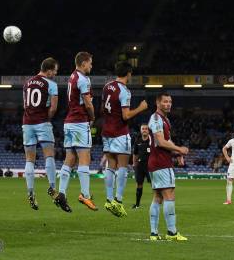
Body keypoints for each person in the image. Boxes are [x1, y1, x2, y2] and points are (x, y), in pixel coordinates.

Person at [101, 61, 148, 217]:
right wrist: (141, 108)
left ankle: (108, 200)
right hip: (119, 132)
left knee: (110, 166)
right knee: (122, 167)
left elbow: (104, 109)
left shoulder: (107, 86)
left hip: (106, 130)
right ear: (129, 73)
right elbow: (125, 115)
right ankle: (118, 201)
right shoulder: (124, 91)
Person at [54, 51, 96, 212]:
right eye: (90, 63)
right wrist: (92, 117)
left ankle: (62, 194)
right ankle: (85, 195)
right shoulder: (84, 79)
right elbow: (88, 104)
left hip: (69, 123)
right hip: (79, 122)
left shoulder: (72, 76)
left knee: (69, 159)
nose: (91, 66)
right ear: (84, 63)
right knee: (84, 158)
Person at [147, 93, 189, 241]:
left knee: (158, 197)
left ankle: (153, 233)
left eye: (170, 102)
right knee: (169, 195)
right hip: (161, 162)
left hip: (157, 161)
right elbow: (160, 141)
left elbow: (167, 141)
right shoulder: (157, 119)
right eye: (165, 102)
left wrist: (176, 154)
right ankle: (172, 233)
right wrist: (179, 149)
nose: (168, 104)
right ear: (158, 103)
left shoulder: (165, 120)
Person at [21, 57, 59, 210]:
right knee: (49, 155)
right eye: (55, 71)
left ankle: (30, 192)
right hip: (42, 122)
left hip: (27, 123)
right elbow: (54, 108)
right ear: (49, 70)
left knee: (29, 159)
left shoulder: (27, 83)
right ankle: (51, 188)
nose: (55, 74)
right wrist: (46, 118)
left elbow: (25, 105)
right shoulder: (51, 84)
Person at [132, 124, 151, 209]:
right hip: (139, 166)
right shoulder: (137, 141)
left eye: (146, 129)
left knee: (154, 185)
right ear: (140, 130)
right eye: (143, 129)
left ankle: (158, 202)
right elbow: (135, 154)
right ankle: (137, 204)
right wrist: (134, 164)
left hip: (150, 166)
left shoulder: (152, 141)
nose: (144, 130)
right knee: (139, 184)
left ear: (148, 130)